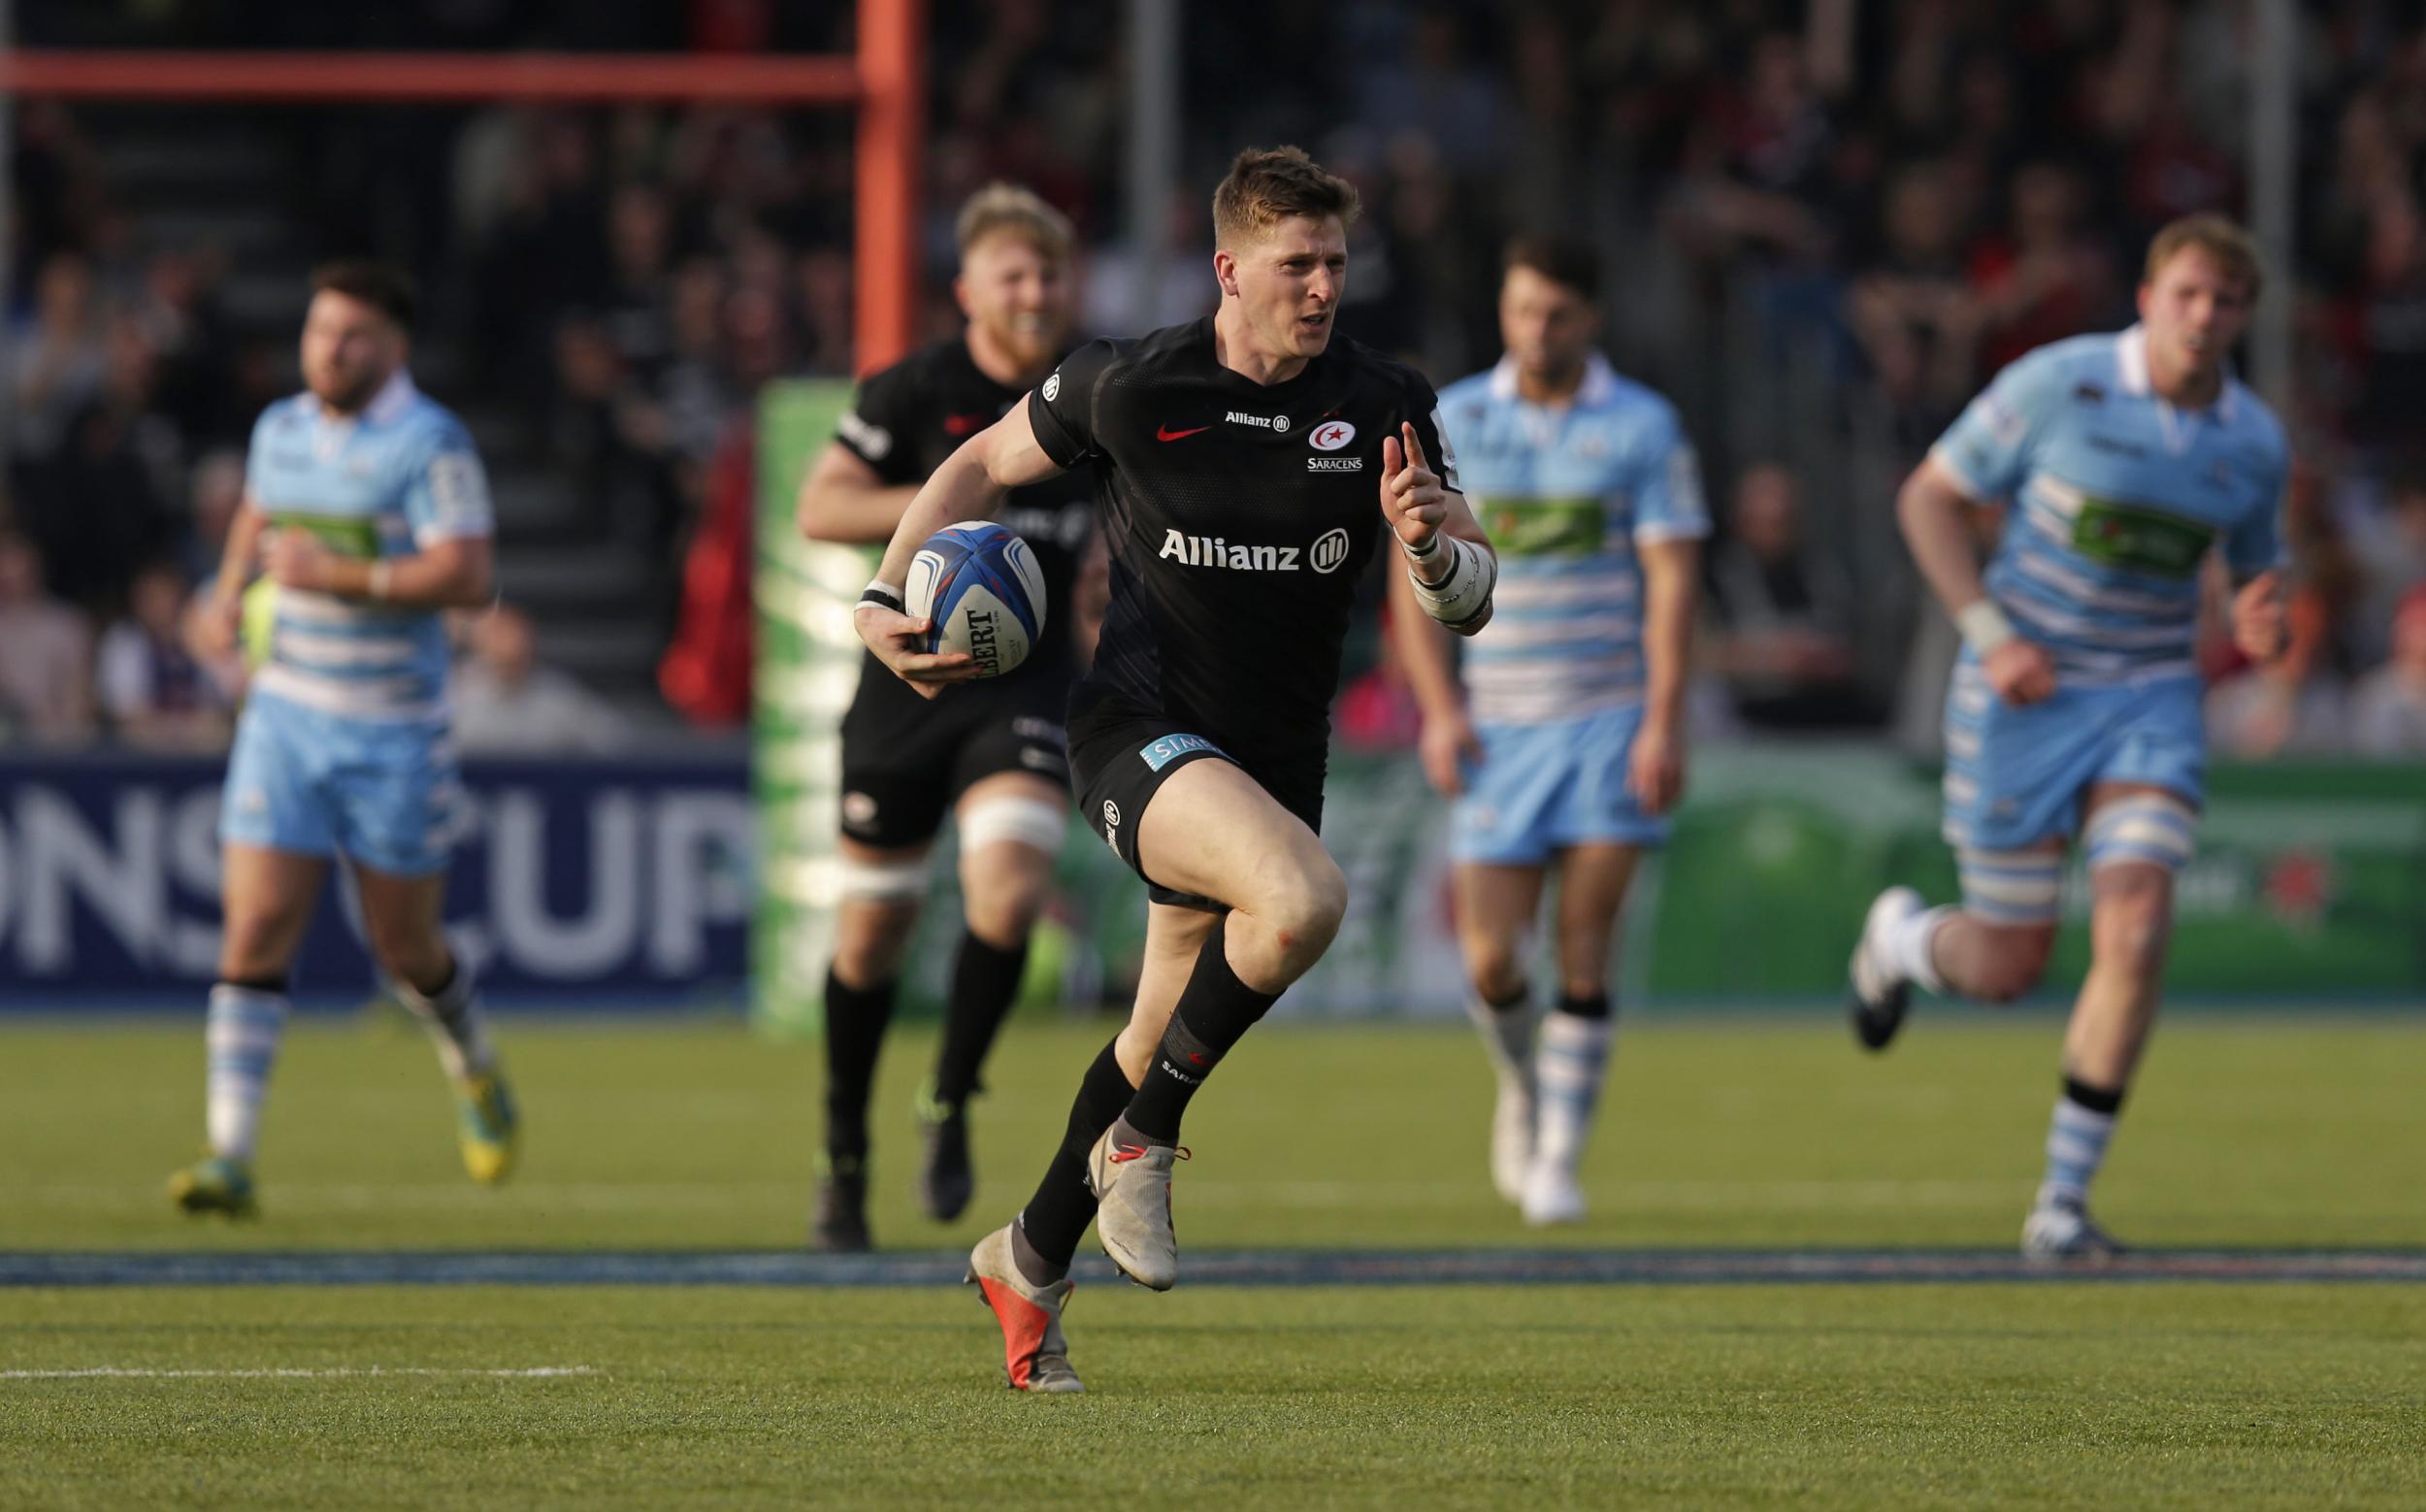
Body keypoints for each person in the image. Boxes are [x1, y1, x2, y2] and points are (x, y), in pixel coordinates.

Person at [854, 147, 1493, 1393]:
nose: (1320, 287)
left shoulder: (1386, 400)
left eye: (1335, 264)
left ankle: (1026, 1259)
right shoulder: (1130, 383)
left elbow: (1468, 594)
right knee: (1302, 901)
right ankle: (1141, 1146)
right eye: (1295, 264)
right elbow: (981, 461)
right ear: (1228, 268)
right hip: (1136, 733)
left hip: (1271, 761)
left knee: (1155, 1028)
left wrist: (1430, 553)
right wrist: (888, 587)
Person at [1846, 215, 2290, 1261]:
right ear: (2146, 296)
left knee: (2135, 925)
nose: (2202, 316)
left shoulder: (2253, 441)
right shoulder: (2060, 383)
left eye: (2223, 301)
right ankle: (1901, 941)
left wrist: (2261, 615)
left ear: (2244, 317)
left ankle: (2060, 1204)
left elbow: (2255, 575)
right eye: (2185, 293)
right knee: (2007, 965)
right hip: (2023, 696)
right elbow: (1929, 500)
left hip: (2147, 700)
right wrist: (1991, 635)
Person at [167, 260, 516, 1219]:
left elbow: (468, 574)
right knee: (253, 927)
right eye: (320, 330)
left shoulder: (426, 442)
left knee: (405, 946)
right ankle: (229, 1154)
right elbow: (259, 515)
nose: (330, 348)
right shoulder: (280, 429)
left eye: (353, 335)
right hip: (284, 716)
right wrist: (225, 592)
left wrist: (339, 575)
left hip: (393, 729)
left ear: (393, 347)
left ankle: (473, 1063)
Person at [794, 184, 1098, 1251]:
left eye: (1050, 274)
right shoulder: (915, 389)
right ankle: (842, 1146)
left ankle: (951, 1092)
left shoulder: (1093, 394)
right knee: (870, 934)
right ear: (966, 289)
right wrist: (958, 496)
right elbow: (819, 506)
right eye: (1012, 275)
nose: (1034, 293)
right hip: (905, 684)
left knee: (1008, 894)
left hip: (1023, 685)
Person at [1393, 236, 1706, 1227]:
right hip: (1500, 723)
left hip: (1609, 718)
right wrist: (1440, 711)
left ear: (1591, 319)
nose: (1537, 329)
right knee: (1492, 958)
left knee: (1584, 940)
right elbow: (1416, 571)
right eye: (1522, 309)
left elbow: (1671, 582)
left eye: (1557, 314)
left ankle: (1561, 1154)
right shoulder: (1459, 418)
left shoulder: (1644, 427)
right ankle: (1522, 1086)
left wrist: (1663, 718)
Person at [450, 603, 627, 754]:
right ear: (478, 643)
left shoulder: (558, 697)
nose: (510, 644)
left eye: (518, 634)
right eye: (497, 634)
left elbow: (617, 744)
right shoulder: (453, 693)